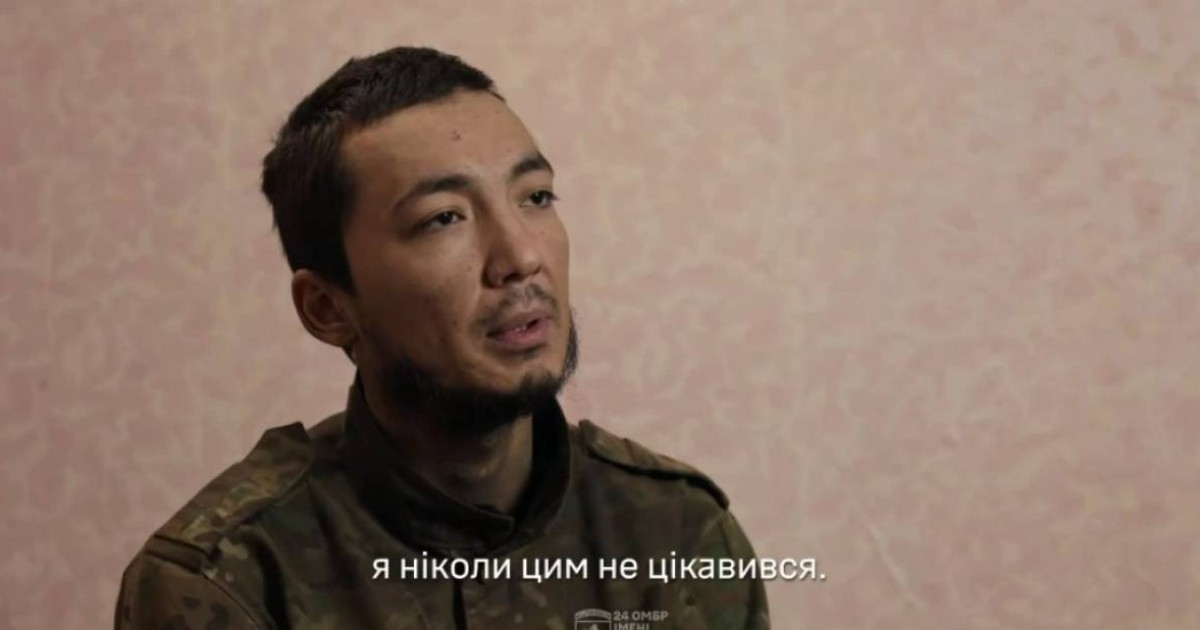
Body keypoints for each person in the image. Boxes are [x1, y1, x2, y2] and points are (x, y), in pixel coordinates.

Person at [115, 46, 770, 629]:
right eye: (443, 218)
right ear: (328, 308)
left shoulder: (676, 534)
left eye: (536, 197)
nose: (521, 257)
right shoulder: (229, 582)